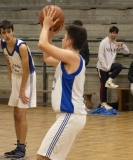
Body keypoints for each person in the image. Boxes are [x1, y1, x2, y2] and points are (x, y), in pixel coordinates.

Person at [37, 8, 87, 160]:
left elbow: (42, 45)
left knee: (43, 157)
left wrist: (46, 26)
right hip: (70, 116)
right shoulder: (68, 59)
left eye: (63, 38)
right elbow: (47, 57)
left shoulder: (73, 57)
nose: (62, 40)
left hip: (70, 115)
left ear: (69, 42)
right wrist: (50, 34)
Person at [0, 20, 37, 160]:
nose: (7, 35)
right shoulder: (1, 43)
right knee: (15, 114)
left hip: (27, 78)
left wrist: (21, 90)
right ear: (0, 34)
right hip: (16, 76)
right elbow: (8, 61)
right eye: (4, 32)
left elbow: (26, 70)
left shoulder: (22, 47)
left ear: (13, 31)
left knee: (21, 114)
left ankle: (22, 148)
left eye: (9, 32)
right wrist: (10, 78)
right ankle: (18, 146)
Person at [97, 26, 129, 110]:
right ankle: (103, 103)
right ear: (109, 33)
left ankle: (110, 80)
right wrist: (105, 67)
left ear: (116, 34)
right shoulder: (103, 42)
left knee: (119, 66)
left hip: (110, 65)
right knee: (104, 86)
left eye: (114, 33)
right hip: (102, 67)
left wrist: (122, 45)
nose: (113, 34)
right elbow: (100, 55)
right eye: (111, 32)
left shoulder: (116, 44)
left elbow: (126, 52)